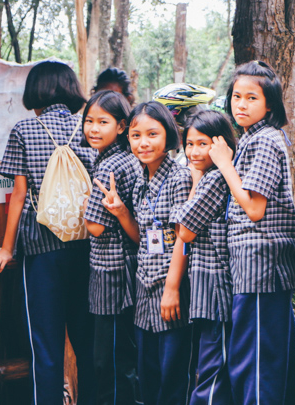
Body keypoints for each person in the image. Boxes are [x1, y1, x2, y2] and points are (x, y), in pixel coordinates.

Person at [0, 61, 96, 405]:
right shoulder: (87, 127)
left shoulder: (25, 129)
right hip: (87, 246)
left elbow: (18, 194)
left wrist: (6, 249)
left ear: (36, 91)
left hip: (41, 249)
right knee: (86, 342)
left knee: (45, 347)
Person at [206, 61, 295, 405]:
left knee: (256, 363)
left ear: (270, 105)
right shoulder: (253, 138)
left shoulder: (264, 140)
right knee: (280, 359)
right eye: (236, 96)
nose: (241, 104)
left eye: (252, 97)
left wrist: (224, 163)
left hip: (262, 268)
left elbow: (254, 208)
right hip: (255, 268)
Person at [96, 101, 192, 405]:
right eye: (136, 136)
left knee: (172, 375)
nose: (143, 142)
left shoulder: (180, 178)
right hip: (144, 289)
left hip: (170, 289)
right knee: (147, 373)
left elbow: (183, 239)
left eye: (152, 134)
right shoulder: (140, 180)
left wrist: (172, 289)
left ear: (168, 136)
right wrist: (121, 211)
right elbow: (142, 236)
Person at [172, 109, 238, 405]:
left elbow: (184, 231)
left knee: (212, 369)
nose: (194, 151)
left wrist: (196, 179)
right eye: (190, 144)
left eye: (203, 144)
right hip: (207, 288)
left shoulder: (214, 179)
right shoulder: (218, 176)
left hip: (215, 289)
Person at [83, 90, 143, 405]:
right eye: (89, 121)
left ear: (120, 126)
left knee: (110, 360)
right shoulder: (124, 158)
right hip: (127, 267)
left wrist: (80, 201)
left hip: (112, 273)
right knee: (123, 359)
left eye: (102, 122)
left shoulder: (111, 166)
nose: (93, 128)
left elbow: (94, 225)